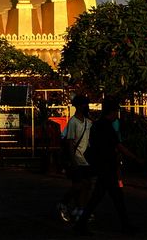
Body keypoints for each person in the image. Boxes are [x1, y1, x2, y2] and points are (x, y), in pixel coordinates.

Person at [74, 97, 136, 236]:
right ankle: (125, 225)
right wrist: (134, 158)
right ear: (112, 112)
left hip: (101, 165)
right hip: (107, 165)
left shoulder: (96, 125)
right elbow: (118, 146)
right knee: (115, 198)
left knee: (99, 197)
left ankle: (81, 223)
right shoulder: (107, 126)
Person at [58, 95, 93, 223]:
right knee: (79, 185)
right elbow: (70, 142)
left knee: (86, 185)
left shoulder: (87, 121)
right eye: (84, 104)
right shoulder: (73, 122)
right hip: (77, 158)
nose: (86, 106)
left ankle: (80, 208)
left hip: (85, 158)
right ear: (78, 106)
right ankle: (64, 203)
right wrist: (73, 161)